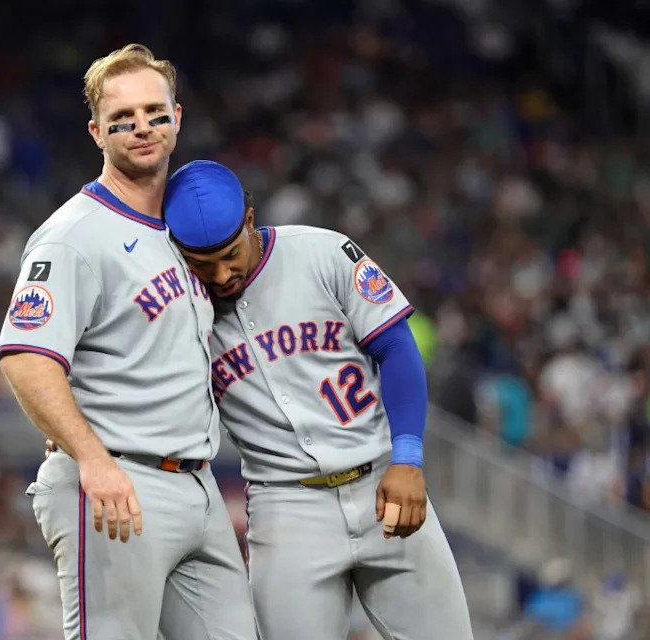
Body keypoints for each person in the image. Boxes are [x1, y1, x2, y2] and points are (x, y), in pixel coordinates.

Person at [0, 48, 256, 640]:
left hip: (199, 484)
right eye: (123, 117)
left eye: (154, 112)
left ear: (178, 117)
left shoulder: (188, 227)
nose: (142, 126)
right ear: (96, 131)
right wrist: (92, 459)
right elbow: (26, 358)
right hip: (116, 484)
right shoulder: (72, 237)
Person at [161, 160, 474, 639]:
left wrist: (408, 456)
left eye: (230, 255)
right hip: (287, 507)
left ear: (249, 220)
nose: (222, 274)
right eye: (203, 265)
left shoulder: (323, 252)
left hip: (381, 482)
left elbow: (396, 347)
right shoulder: (174, 303)